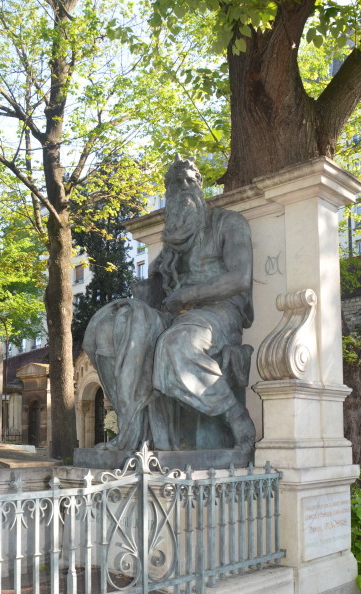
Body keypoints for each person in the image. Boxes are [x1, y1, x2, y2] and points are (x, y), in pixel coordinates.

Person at [83, 155, 256, 454]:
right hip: (175, 314)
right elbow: (157, 289)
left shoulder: (228, 222)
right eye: (176, 184)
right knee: (112, 326)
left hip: (220, 313)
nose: (184, 187)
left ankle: (239, 421)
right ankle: (132, 433)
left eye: (190, 181)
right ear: (169, 193)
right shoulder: (173, 241)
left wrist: (188, 295)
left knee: (176, 345)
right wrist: (144, 292)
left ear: (200, 185)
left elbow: (240, 278)